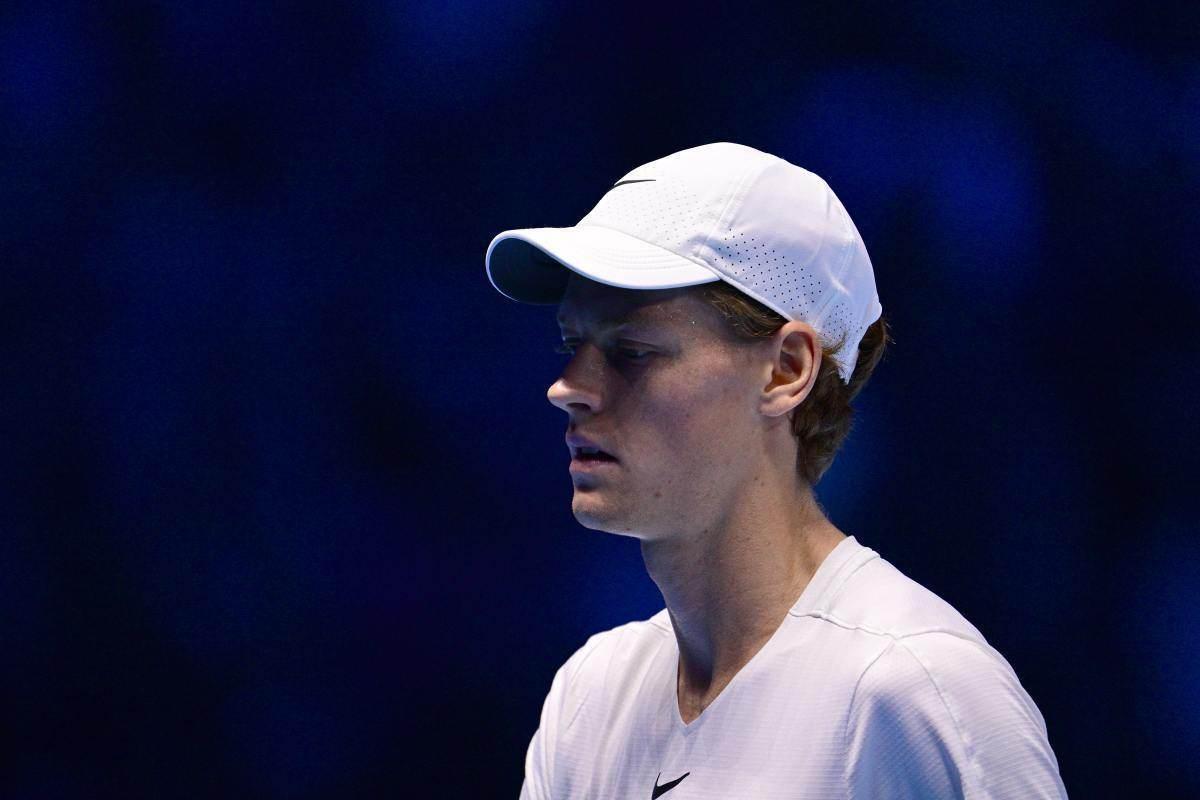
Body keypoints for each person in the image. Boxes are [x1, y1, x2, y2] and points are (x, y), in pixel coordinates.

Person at [485, 142, 1067, 799]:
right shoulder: (589, 699)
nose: (567, 387)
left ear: (786, 370)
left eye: (633, 351)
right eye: (572, 344)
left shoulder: (916, 688)